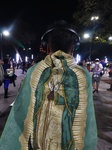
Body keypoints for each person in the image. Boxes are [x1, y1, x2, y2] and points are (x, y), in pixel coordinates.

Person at [0, 20, 97, 150]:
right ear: (74, 47)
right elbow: (87, 117)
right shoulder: (83, 75)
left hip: (40, 142)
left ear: (47, 46)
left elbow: (21, 110)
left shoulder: (34, 71)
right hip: (68, 142)